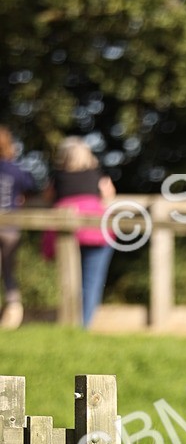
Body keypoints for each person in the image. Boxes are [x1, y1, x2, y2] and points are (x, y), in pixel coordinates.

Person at [42, 137, 115, 327]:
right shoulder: (97, 175)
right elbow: (108, 195)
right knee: (92, 282)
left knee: (70, 280)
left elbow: (47, 197)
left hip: (67, 233)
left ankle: (70, 322)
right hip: (96, 233)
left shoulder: (57, 177)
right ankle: (84, 325)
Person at [0, 126, 37, 329]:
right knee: (8, 271)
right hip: (10, 227)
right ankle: (13, 311)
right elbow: (30, 189)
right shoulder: (16, 170)